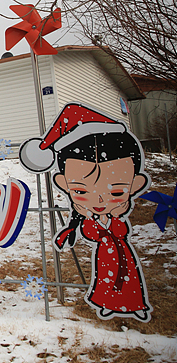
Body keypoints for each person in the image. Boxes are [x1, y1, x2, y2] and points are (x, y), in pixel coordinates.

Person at [19, 103, 152, 322]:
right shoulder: (92, 221)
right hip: (106, 253)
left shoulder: (115, 218)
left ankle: (132, 303)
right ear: (63, 183)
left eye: (116, 190)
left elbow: (115, 229)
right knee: (107, 276)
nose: (99, 200)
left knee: (125, 276)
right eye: (81, 190)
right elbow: (90, 232)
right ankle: (110, 301)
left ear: (136, 184)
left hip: (119, 255)